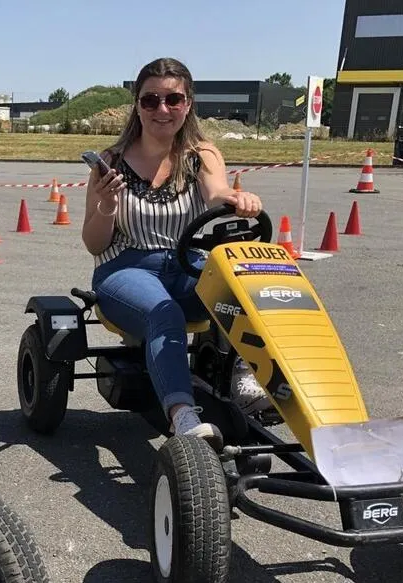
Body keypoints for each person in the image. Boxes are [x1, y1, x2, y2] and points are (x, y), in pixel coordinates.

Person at [81, 56, 273, 450]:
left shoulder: (202, 154)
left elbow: (216, 193)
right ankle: (183, 417)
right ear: (137, 105)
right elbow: (94, 244)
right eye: (151, 100)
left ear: (188, 104)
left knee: (249, 289)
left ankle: (245, 372)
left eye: (173, 99)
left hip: (186, 264)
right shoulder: (112, 161)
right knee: (162, 311)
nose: (162, 110)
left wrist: (239, 198)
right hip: (126, 268)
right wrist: (106, 207)